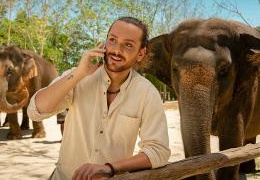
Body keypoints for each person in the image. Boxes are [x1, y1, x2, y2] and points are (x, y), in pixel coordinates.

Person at [27, 16, 170, 180]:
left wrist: (110, 168)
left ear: (141, 53)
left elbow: (158, 151)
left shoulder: (147, 93)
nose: (116, 49)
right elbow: (36, 111)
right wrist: (78, 74)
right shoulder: (78, 77)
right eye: (113, 40)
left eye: (128, 45)